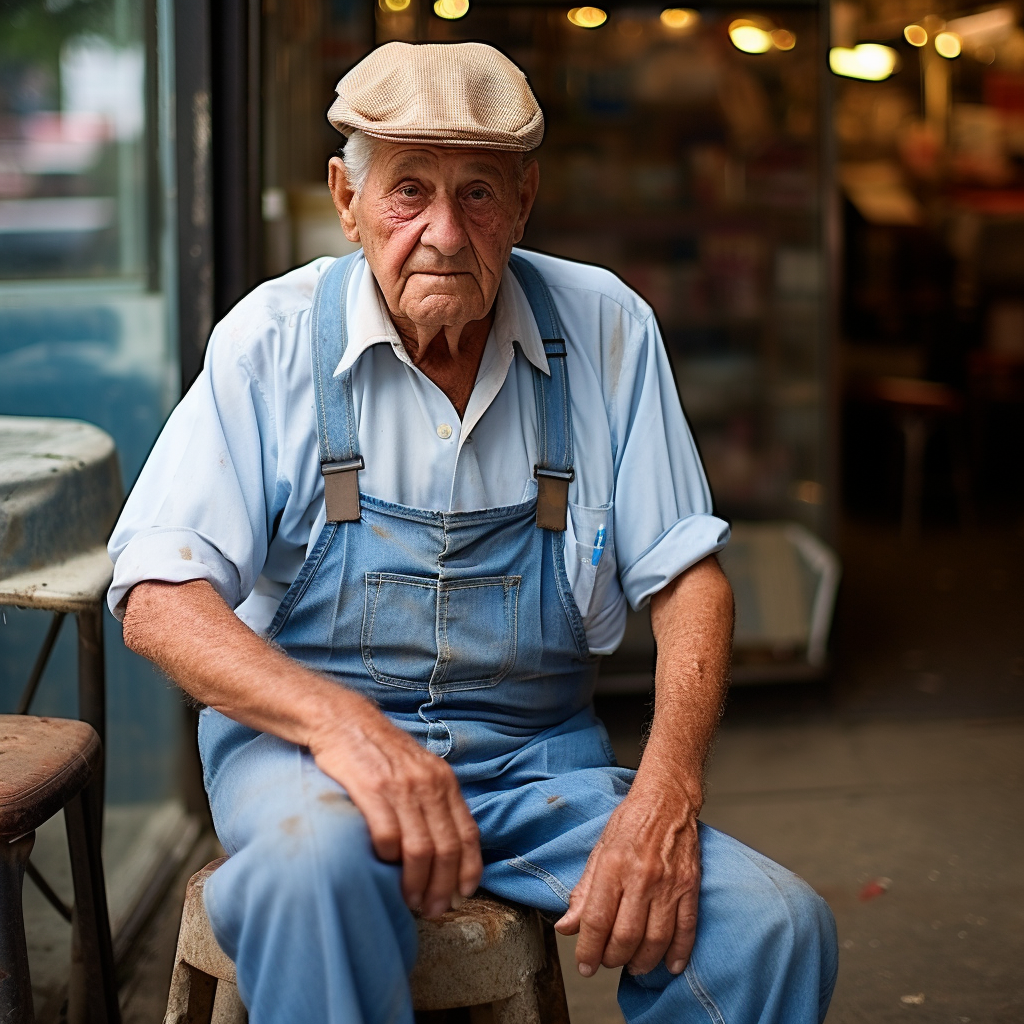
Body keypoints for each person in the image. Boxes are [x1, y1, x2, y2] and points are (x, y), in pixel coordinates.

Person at [109, 40, 837, 1024]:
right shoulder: (271, 341)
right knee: (310, 872)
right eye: (409, 192)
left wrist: (667, 796)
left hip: (532, 763)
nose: (445, 233)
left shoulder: (604, 327)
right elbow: (158, 596)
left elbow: (689, 580)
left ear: (524, 201)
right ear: (346, 197)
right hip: (312, 760)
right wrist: (346, 727)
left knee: (775, 927)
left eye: (479, 195)